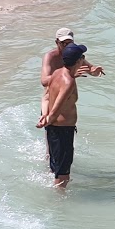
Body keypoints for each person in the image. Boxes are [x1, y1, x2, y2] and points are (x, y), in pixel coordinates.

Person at [37, 42, 85, 188]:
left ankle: (55, 190)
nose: (84, 58)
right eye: (82, 56)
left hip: (54, 128)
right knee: (63, 174)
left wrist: (44, 116)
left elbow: (45, 97)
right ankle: (58, 204)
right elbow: (58, 106)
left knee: (55, 167)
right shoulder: (68, 81)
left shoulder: (57, 73)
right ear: (78, 61)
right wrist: (48, 118)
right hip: (63, 130)